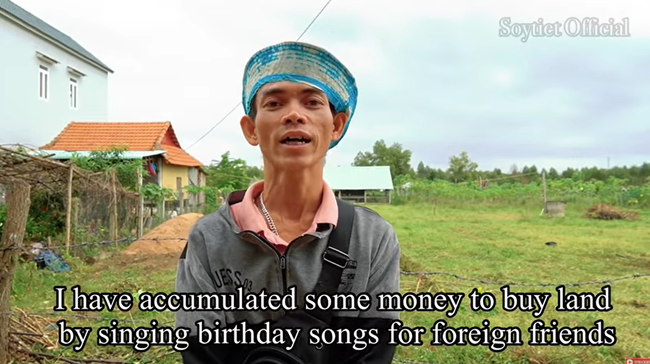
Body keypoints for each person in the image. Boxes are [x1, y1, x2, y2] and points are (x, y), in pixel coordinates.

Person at [175, 41, 401, 364]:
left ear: (336, 125)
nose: (294, 114)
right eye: (274, 103)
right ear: (251, 129)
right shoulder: (208, 241)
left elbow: (374, 353)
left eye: (312, 102)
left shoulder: (373, 240)